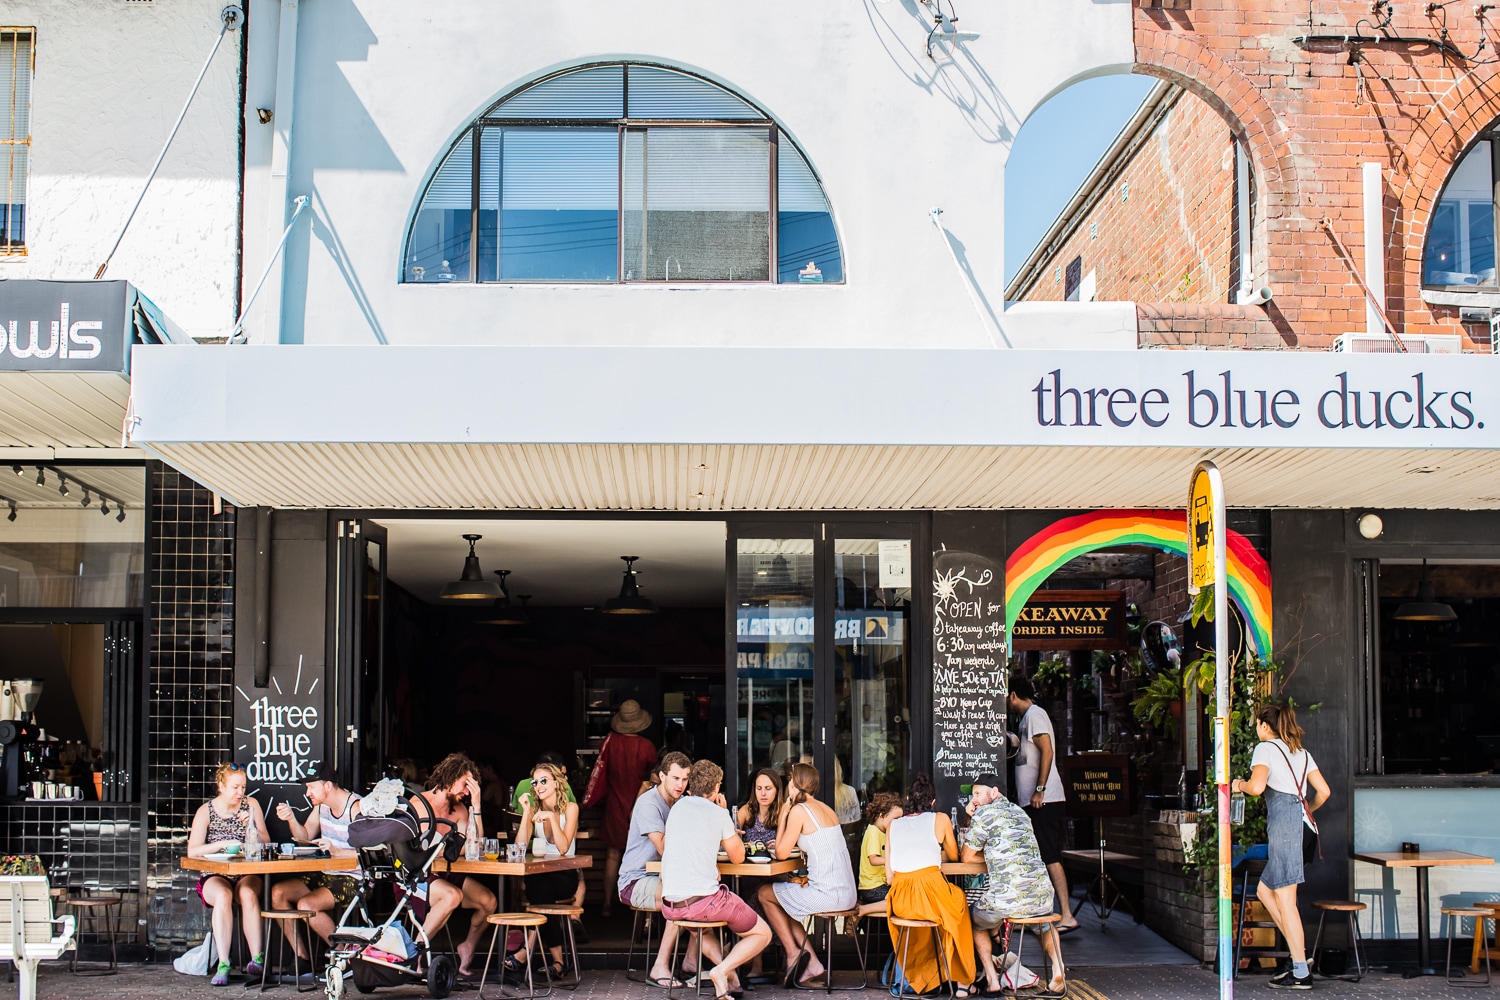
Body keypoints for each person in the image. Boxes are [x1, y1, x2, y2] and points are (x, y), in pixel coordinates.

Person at [1232, 703, 1330, 991]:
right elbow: (1324, 791)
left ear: (1264, 725)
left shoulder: (1265, 749)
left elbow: (1258, 786)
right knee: (1265, 890)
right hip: (1302, 824)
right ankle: (1299, 954)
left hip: (1285, 826)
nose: (1256, 728)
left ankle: (1300, 970)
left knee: (1286, 899)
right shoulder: (1301, 752)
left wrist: (1239, 784)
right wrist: (1305, 810)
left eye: (1257, 724)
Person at [661, 760, 772, 1000]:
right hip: (704, 903)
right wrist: (724, 817)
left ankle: (728, 977)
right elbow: (738, 856)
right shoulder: (717, 813)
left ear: (692, 784)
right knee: (763, 934)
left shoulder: (677, 808)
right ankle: (722, 970)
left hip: (673, 905)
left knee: (701, 929)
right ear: (716, 787)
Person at [962, 773, 1066, 998]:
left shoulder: (984, 814)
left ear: (995, 792)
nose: (975, 800)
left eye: (978, 794)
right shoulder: (1021, 812)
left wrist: (972, 817)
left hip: (1007, 900)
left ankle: (992, 980)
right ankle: (1058, 971)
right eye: (972, 796)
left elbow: (967, 858)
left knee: (975, 918)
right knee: (1044, 925)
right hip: (1041, 896)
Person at [758, 762, 858, 987]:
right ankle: (811, 962)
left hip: (828, 894)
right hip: (846, 892)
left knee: (765, 893)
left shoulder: (798, 811)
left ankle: (794, 953)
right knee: (787, 902)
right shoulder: (826, 809)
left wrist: (784, 812)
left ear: (793, 784)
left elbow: (782, 853)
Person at [885, 773, 976, 997]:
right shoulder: (941, 819)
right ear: (933, 802)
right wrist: (934, 852)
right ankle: (963, 981)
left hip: (902, 900)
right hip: (931, 893)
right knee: (958, 905)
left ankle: (927, 975)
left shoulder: (892, 826)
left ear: (907, 798)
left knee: (929, 919)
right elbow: (954, 857)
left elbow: (889, 878)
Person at [408, 752, 496, 978]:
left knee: (488, 901)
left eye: (471, 787)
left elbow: (473, 846)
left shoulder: (461, 810)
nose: (467, 792)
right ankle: (415, 954)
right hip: (416, 876)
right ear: (449, 777)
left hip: (445, 873)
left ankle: (467, 946)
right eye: (465, 784)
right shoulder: (418, 804)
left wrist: (476, 805)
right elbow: (410, 850)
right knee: (452, 896)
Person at [187, 762, 273, 986]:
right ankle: (224, 963)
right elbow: (193, 851)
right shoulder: (206, 811)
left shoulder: (251, 804)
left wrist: (250, 826)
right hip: (215, 873)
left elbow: (266, 843)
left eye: (243, 787)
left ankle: (257, 960)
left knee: (247, 894)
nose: (240, 793)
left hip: (247, 872)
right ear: (221, 786)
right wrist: (221, 845)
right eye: (235, 787)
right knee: (223, 896)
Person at [271, 764, 362, 962]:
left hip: (355, 877)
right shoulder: (322, 806)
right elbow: (305, 837)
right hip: (327, 873)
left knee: (306, 904)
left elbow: (371, 854)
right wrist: (291, 819)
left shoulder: (356, 807)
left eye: (311, 787)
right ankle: (302, 958)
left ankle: (344, 954)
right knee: (278, 892)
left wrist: (336, 851)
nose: (307, 792)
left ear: (327, 786)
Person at [616, 751, 693, 987]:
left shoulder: (681, 803)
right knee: (681, 898)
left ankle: (691, 961)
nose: (681, 785)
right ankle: (660, 965)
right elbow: (663, 847)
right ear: (662, 776)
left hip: (665, 878)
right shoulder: (649, 803)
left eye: (685, 779)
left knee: (704, 899)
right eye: (675, 778)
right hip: (635, 880)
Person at [1008, 676, 1078, 932]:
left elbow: (1047, 751)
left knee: (1049, 856)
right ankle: (1034, 913)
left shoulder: (1035, 715)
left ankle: (1067, 914)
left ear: (1013, 695)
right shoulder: (1026, 719)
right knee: (1037, 857)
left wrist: (1039, 790)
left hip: (1044, 801)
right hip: (1034, 801)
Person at [581, 701, 659, 917]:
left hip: (614, 805)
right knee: (647, 858)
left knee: (612, 855)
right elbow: (653, 777)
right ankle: (643, 912)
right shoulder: (647, 747)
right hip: (641, 805)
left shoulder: (610, 741)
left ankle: (606, 904)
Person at [504, 762, 580, 979]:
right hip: (540, 877)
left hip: (565, 875)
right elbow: (519, 847)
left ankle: (525, 952)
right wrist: (527, 812)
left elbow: (564, 848)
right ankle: (558, 961)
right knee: (540, 891)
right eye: (535, 782)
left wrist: (553, 819)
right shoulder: (535, 809)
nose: (539, 786)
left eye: (544, 781)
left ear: (556, 783)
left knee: (538, 890)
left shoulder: (571, 809)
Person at [735, 767, 784, 978]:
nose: (763, 793)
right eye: (759, 788)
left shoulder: (783, 813)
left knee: (758, 895)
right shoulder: (746, 811)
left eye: (768, 788)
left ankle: (760, 961)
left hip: (777, 872)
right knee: (747, 895)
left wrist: (779, 843)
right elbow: (732, 840)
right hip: (750, 873)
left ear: (776, 791)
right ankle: (755, 961)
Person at [857, 792, 903, 918]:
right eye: (895, 819)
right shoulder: (873, 831)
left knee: (902, 895)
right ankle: (863, 909)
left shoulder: (885, 833)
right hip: (871, 886)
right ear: (882, 816)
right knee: (899, 899)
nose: (898, 823)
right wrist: (891, 860)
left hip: (882, 883)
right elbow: (873, 859)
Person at [833, 758, 861, 825]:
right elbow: (857, 820)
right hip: (848, 835)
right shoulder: (850, 791)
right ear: (838, 769)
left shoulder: (813, 795)